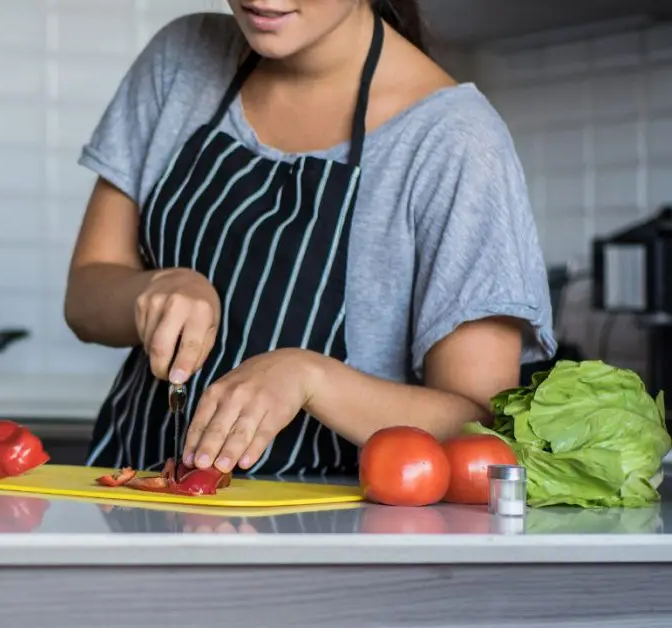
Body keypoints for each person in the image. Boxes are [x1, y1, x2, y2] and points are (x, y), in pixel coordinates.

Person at [62, 0, 557, 479]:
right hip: (131, 497)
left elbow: (479, 425)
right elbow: (85, 298)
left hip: (329, 533)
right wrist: (158, 287)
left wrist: (312, 379)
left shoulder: (454, 140)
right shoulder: (181, 58)